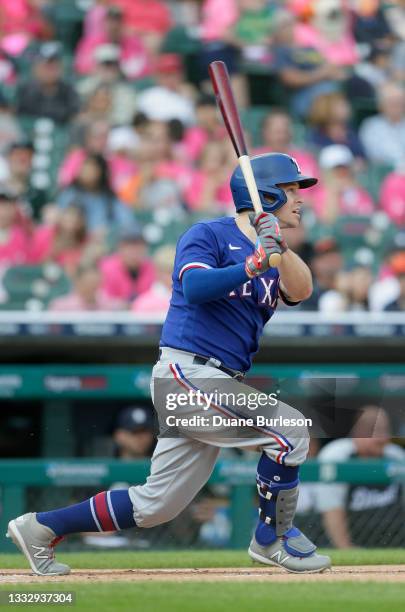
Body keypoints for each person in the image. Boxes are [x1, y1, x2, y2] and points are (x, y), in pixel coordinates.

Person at [7, 152, 331, 575]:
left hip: (215, 382)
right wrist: (251, 264)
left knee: (156, 505)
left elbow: (301, 290)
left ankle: (38, 528)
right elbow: (195, 286)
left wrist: (276, 249)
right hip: (188, 374)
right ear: (265, 195)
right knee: (289, 431)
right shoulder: (207, 234)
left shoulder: (276, 250)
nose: (299, 200)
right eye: (290, 191)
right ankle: (272, 539)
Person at [315, 406, 405, 548]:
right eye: (374, 431)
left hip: (394, 542)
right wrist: (347, 549)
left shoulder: (396, 455)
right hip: (347, 541)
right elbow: (331, 509)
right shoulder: (337, 455)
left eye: (385, 430)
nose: (382, 438)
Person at [56, 153, 135, 235]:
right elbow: (59, 216)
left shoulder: (110, 199)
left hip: (101, 243)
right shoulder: (70, 194)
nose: (86, 172)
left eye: (91, 169)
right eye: (84, 168)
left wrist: (110, 230)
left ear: (101, 172)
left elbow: (128, 222)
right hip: (75, 242)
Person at [16, 41, 80, 124]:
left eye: (54, 66)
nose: (51, 71)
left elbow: (76, 117)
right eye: (47, 66)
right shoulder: (24, 89)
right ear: (35, 68)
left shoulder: (68, 90)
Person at [312, 144, 374, 224]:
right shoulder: (320, 194)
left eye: (344, 169)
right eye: (336, 170)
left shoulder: (360, 192)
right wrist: (334, 194)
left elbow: (369, 219)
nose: (341, 173)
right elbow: (327, 223)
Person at [99, 227, 155, 303]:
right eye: (130, 245)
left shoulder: (150, 267)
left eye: (138, 245)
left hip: (144, 312)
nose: (134, 250)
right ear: (120, 247)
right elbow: (102, 301)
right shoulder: (107, 268)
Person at [359, 82, 405, 166]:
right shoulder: (371, 126)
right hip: (385, 173)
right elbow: (374, 156)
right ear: (381, 105)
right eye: (391, 102)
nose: (396, 106)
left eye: (399, 101)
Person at [49, 263, 124, 312]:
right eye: (89, 284)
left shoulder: (109, 305)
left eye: (96, 285)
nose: (92, 289)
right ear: (77, 283)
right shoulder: (61, 307)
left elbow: (123, 306)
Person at [131, 244, 175, 315]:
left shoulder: (188, 299)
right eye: (167, 271)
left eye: (174, 270)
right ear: (158, 272)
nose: (172, 276)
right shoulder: (142, 303)